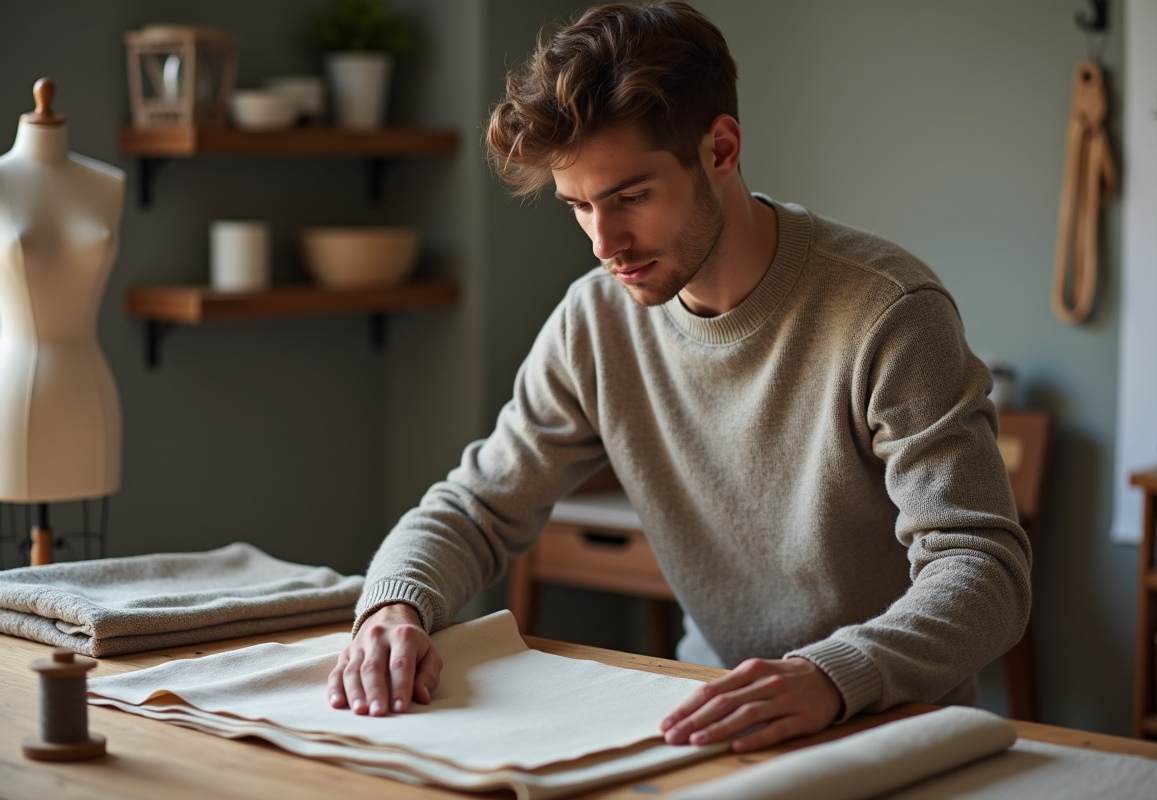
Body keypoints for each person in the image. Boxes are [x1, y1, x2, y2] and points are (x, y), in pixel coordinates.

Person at [326, 1, 1030, 753]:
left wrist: (830, 676)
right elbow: (474, 508)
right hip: (705, 715)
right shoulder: (595, 320)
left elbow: (983, 571)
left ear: (720, 148)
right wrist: (392, 609)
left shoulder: (889, 312)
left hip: (890, 720)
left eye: (630, 197)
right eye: (578, 207)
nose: (605, 242)